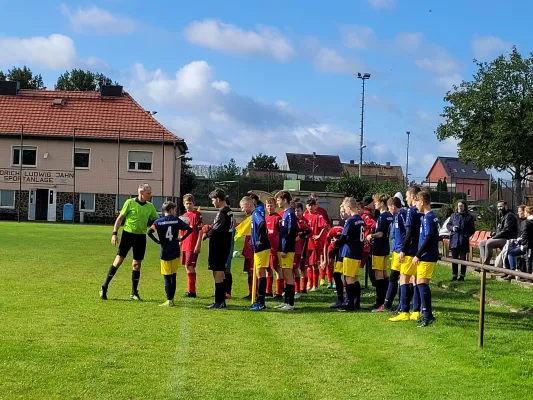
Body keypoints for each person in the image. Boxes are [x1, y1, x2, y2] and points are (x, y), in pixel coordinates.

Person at [100, 183, 159, 301]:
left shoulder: (150, 206)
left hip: (141, 237)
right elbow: (120, 218)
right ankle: (104, 287)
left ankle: (134, 293)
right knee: (118, 261)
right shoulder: (130, 203)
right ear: (141, 193)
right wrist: (114, 233)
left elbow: (156, 220)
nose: (150, 195)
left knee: (136, 264)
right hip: (128, 235)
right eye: (148, 193)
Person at [148, 201, 192, 306]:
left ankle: (169, 300)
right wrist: (182, 239)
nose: (175, 211)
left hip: (165, 252)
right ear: (170, 210)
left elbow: (149, 232)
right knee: (173, 275)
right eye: (174, 209)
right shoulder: (176, 220)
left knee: (167, 276)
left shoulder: (158, 222)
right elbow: (189, 229)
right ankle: (172, 299)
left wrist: (158, 241)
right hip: (175, 250)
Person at [389, 185, 422, 322]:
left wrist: (403, 249)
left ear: (413, 196)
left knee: (404, 278)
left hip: (410, 251)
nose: (406, 199)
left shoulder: (411, 211)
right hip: (419, 250)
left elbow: (409, 233)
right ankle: (416, 311)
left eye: (407, 196)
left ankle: (404, 311)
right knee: (416, 280)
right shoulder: (423, 211)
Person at [412, 191, 439, 327]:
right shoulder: (428, 217)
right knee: (420, 282)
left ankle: (427, 315)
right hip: (427, 254)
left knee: (422, 283)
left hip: (427, 256)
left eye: (416, 202)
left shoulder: (429, 217)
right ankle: (427, 314)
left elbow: (429, 237)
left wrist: (418, 254)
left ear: (422, 201)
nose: (416, 205)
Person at [203, 189, 234, 309]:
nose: (212, 202)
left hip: (219, 246)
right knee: (219, 271)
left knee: (218, 272)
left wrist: (206, 234)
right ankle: (220, 300)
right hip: (224, 245)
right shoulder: (229, 212)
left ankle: (219, 301)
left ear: (218, 199)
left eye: (212, 200)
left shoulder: (223, 212)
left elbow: (216, 230)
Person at [240, 196, 271, 311]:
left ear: (248, 205)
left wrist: (259, 239)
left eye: (243, 207)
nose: (242, 210)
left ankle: (261, 302)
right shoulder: (256, 213)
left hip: (261, 247)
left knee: (260, 273)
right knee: (259, 273)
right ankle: (259, 300)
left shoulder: (256, 213)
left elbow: (262, 223)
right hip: (260, 247)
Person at [334, 197, 364, 312]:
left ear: (349, 206)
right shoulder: (360, 219)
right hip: (357, 251)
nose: (344, 210)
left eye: (345, 207)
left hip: (350, 251)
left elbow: (344, 237)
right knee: (354, 277)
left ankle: (349, 304)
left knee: (349, 278)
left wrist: (336, 242)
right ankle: (356, 302)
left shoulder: (350, 220)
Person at [367, 193, 393, 312]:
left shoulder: (382, 217)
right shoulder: (389, 216)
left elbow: (381, 233)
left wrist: (370, 235)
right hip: (386, 247)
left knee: (379, 274)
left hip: (379, 248)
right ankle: (386, 300)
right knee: (384, 273)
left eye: (376, 202)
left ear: (382, 203)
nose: (374, 204)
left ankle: (380, 301)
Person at [275, 190, 298, 310]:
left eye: (278, 200)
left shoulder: (290, 214)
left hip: (287, 250)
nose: (277, 202)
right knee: (284, 274)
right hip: (282, 248)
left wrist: (285, 249)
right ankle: (286, 301)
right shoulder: (285, 213)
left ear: (284, 200)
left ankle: (290, 304)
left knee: (289, 275)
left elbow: (292, 232)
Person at [383, 196, 407, 311]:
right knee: (394, 277)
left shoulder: (402, 215)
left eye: (389, 208)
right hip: (396, 250)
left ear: (393, 206)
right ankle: (388, 304)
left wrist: (403, 248)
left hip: (401, 252)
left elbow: (407, 232)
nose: (389, 210)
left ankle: (400, 306)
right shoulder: (396, 216)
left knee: (400, 278)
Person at [181, 194, 203, 298]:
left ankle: (192, 291)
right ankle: (191, 290)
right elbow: (182, 231)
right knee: (187, 266)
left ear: (194, 203)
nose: (188, 205)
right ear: (183, 204)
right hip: (185, 245)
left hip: (192, 245)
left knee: (189, 266)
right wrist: (180, 241)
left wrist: (198, 244)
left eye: (190, 203)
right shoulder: (184, 216)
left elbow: (200, 231)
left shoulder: (197, 215)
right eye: (186, 203)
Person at [447, 200, 475, 281]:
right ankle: (454, 275)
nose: (460, 207)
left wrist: (465, 235)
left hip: (463, 241)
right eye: (459, 206)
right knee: (454, 259)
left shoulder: (469, 217)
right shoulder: (453, 216)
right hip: (454, 240)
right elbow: (448, 225)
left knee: (463, 259)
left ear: (464, 207)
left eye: (461, 206)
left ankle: (462, 276)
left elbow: (472, 229)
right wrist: (452, 228)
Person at [305, 198, 328, 291]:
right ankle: (309, 284)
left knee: (314, 264)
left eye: (312, 205)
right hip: (306, 243)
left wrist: (319, 235)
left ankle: (315, 285)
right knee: (308, 265)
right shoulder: (305, 215)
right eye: (308, 205)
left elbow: (325, 225)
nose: (310, 207)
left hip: (315, 244)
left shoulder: (318, 216)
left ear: (315, 206)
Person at [265, 197, 283, 299]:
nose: (270, 207)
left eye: (271, 205)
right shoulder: (266, 218)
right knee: (268, 269)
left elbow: (282, 233)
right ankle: (268, 291)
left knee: (277, 269)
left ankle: (279, 292)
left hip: (276, 249)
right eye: (268, 206)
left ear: (275, 206)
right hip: (268, 249)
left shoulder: (278, 218)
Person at [330, 204, 347, 309]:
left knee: (347, 277)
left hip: (346, 253)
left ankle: (347, 300)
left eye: (343, 211)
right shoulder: (344, 222)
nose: (341, 213)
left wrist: (338, 241)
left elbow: (345, 238)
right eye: (340, 211)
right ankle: (341, 299)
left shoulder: (349, 222)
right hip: (341, 252)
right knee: (337, 275)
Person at [294, 202, 312, 297]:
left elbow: (309, 232)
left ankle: (303, 288)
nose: (297, 213)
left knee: (302, 268)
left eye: (298, 211)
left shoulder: (304, 221)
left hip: (303, 248)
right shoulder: (293, 220)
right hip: (295, 248)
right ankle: (298, 289)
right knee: (295, 268)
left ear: (302, 211)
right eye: (295, 211)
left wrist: (300, 236)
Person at [505, 205, 527, 278]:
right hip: (523, 244)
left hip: (526, 245)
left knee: (510, 253)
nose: (518, 213)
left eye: (520, 211)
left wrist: (518, 242)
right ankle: (508, 270)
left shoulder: (526, 223)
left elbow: (525, 236)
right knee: (507, 249)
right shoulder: (522, 222)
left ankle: (512, 271)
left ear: (525, 212)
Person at [360, 196, 377, 287]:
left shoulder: (366, 213)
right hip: (367, 242)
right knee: (370, 264)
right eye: (372, 203)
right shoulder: (367, 214)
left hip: (365, 241)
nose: (374, 204)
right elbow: (374, 224)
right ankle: (374, 283)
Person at [224, 198, 237, 299]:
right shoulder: (226, 215)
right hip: (225, 247)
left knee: (226, 269)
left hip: (227, 247)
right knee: (222, 270)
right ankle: (223, 291)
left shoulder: (229, 217)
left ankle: (228, 292)